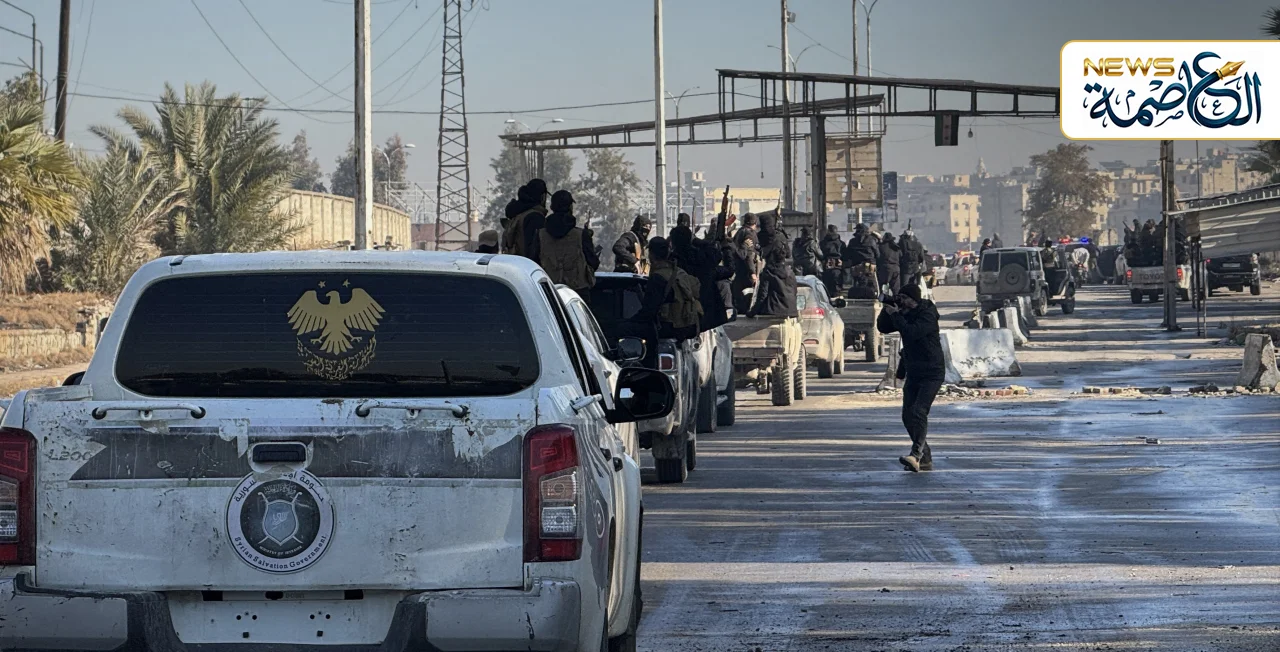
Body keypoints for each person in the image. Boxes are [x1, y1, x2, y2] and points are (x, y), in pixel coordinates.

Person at [875, 283, 945, 472]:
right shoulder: (904, 313)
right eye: (900, 297)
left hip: (932, 372)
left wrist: (896, 315)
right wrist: (887, 309)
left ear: (914, 299)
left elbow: (911, 332)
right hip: (914, 371)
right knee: (907, 415)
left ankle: (915, 455)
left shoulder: (927, 314)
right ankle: (925, 457)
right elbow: (883, 327)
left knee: (919, 411)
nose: (902, 301)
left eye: (905, 298)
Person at [529, 190, 599, 295]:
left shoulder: (540, 235)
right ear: (570, 207)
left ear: (552, 207)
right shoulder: (581, 235)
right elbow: (593, 262)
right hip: (578, 293)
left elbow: (533, 262)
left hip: (549, 292)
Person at [635, 236, 702, 342]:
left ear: (651, 254)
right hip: (686, 328)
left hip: (667, 329)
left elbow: (649, 311)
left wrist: (631, 321)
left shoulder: (658, 277)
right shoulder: (680, 272)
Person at [747, 214, 798, 318]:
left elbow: (762, 296)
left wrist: (752, 313)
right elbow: (788, 253)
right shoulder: (791, 274)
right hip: (791, 313)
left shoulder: (768, 273)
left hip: (772, 312)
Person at [502, 179, 550, 257]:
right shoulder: (535, 217)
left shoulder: (518, 215)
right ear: (543, 197)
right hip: (528, 263)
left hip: (516, 261)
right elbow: (535, 250)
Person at [730, 213, 761, 314]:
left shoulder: (740, 231)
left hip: (739, 269)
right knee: (748, 295)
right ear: (754, 223)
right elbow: (749, 256)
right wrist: (752, 273)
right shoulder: (749, 234)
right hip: (746, 271)